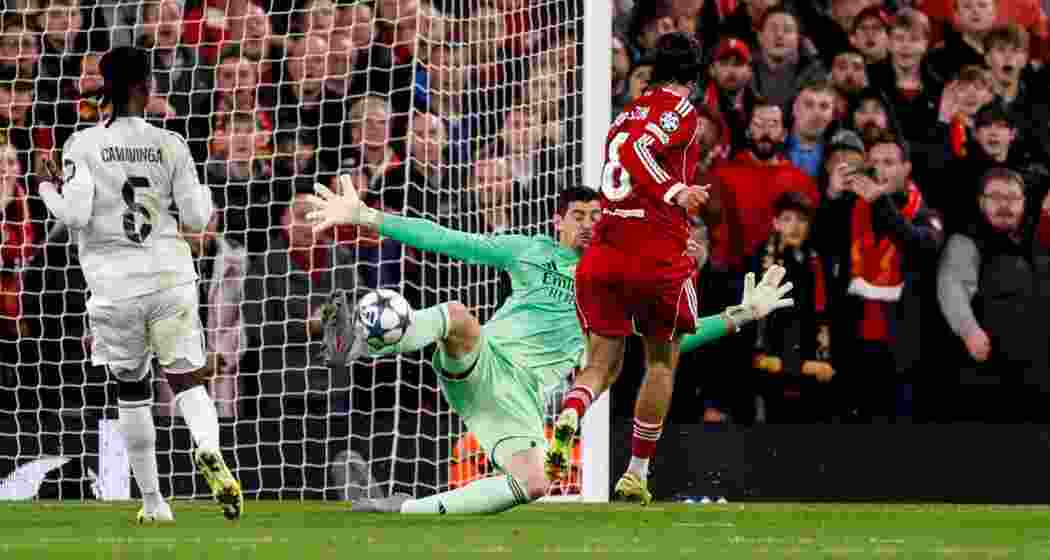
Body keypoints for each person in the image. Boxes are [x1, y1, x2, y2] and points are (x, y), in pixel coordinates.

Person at [305, 179, 793, 514]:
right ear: (558, 221)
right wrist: (366, 216)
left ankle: (403, 507)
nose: (587, 225)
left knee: (535, 484)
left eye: (596, 217)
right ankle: (361, 346)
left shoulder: (618, 284)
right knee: (458, 317)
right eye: (578, 216)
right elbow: (446, 239)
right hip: (483, 362)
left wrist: (740, 316)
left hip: (520, 400)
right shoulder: (529, 251)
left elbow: (669, 342)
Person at [555, 31, 792, 505]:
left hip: (604, 254)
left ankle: (569, 413)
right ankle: (636, 474)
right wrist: (675, 192)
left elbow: (626, 149)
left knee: (599, 364)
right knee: (661, 361)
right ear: (697, 74)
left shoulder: (628, 111)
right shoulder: (681, 110)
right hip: (654, 254)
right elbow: (635, 153)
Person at [37, 46, 242, 523]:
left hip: (114, 287)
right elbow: (197, 217)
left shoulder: (82, 144)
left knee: (132, 389)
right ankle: (208, 447)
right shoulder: (171, 143)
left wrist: (46, 186)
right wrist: (205, 192)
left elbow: (75, 215)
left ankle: (154, 503)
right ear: (146, 89)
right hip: (170, 277)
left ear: (103, 90)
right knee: (188, 378)